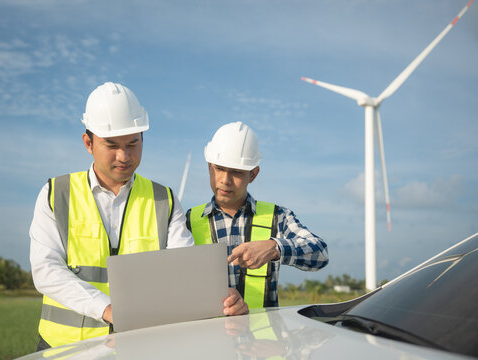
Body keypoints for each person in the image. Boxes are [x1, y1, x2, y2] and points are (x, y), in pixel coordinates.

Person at [30, 82, 248, 350]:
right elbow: (46, 271)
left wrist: (221, 298)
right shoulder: (57, 194)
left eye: (133, 143)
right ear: (88, 143)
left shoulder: (164, 199)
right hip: (64, 348)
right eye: (112, 145)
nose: (124, 156)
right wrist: (107, 309)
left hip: (140, 347)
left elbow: (185, 271)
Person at [186, 121, 329, 309]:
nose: (225, 180)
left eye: (236, 172)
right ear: (209, 167)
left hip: (262, 336)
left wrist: (274, 248)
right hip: (206, 335)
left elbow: (320, 254)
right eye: (219, 168)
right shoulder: (187, 220)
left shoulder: (278, 217)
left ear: (253, 175)